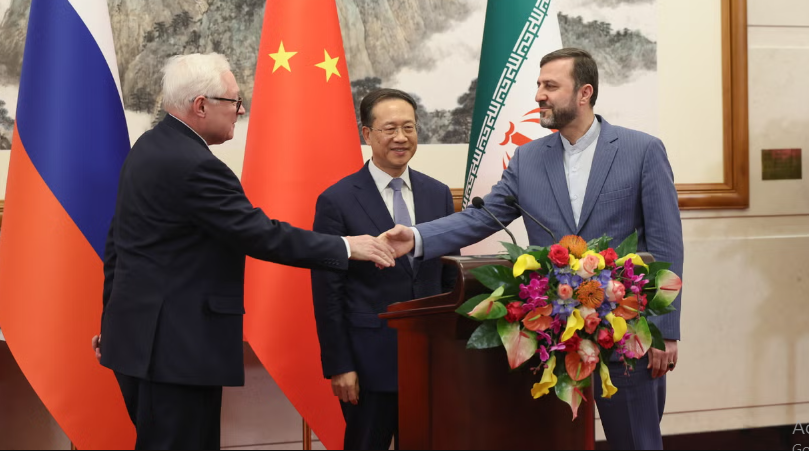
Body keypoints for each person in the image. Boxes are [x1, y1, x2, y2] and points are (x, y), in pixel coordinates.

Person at [381, 48, 684, 450]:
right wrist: (417, 237)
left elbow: (665, 246)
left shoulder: (641, 150)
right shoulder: (527, 159)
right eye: (538, 85)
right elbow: (483, 217)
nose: (539, 95)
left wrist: (666, 331)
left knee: (636, 441)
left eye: (550, 86)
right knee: (554, 438)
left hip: (626, 330)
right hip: (553, 333)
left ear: (584, 93)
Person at [91, 53, 396, 451]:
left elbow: (118, 245)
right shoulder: (194, 165)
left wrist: (112, 321)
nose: (240, 110)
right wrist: (346, 246)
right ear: (201, 105)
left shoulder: (150, 148)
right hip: (174, 350)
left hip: (141, 343)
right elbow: (259, 234)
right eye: (234, 102)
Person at [311, 89, 457, 450]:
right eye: (390, 128)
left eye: (409, 127)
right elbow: (328, 292)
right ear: (367, 134)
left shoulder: (437, 194)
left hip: (430, 360)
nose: (401, 137)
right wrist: (339, 365)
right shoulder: (337, 200)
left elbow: (451, 275)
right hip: (368, 363)